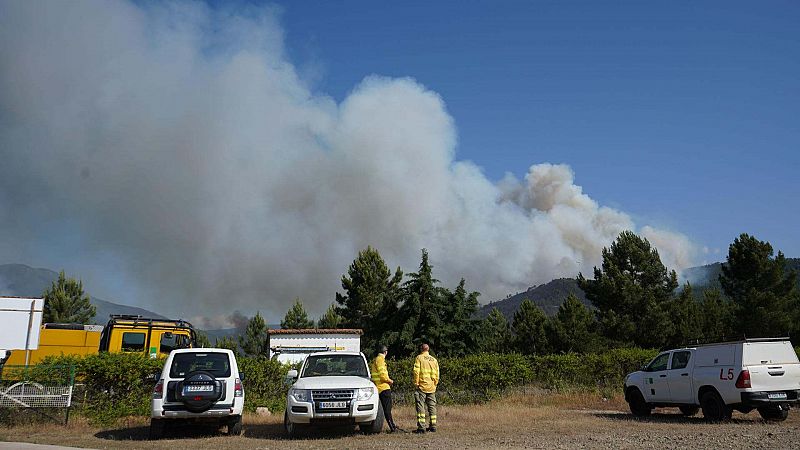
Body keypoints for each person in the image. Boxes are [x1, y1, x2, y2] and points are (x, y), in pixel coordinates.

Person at [413, 343, 439, 433]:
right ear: (428, 349)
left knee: (421, 406)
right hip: (432, 386)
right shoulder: (434, 360)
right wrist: (435, 384)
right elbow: (437, 374)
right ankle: (433, 426)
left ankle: (421, 427)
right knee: (432, 406)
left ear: (421, 349)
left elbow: (416, 372)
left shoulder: (419, 358)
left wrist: (416, 383)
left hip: (422, 386)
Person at [370, 345, 397, 432]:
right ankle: (392, 427)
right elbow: (382, 375)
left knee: (384, 409)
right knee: (387, 409)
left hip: (378, 387)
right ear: (385, 352)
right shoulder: (380, 360)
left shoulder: (376, 359)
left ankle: (392, 426)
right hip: (384, 387)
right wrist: (390, 381)